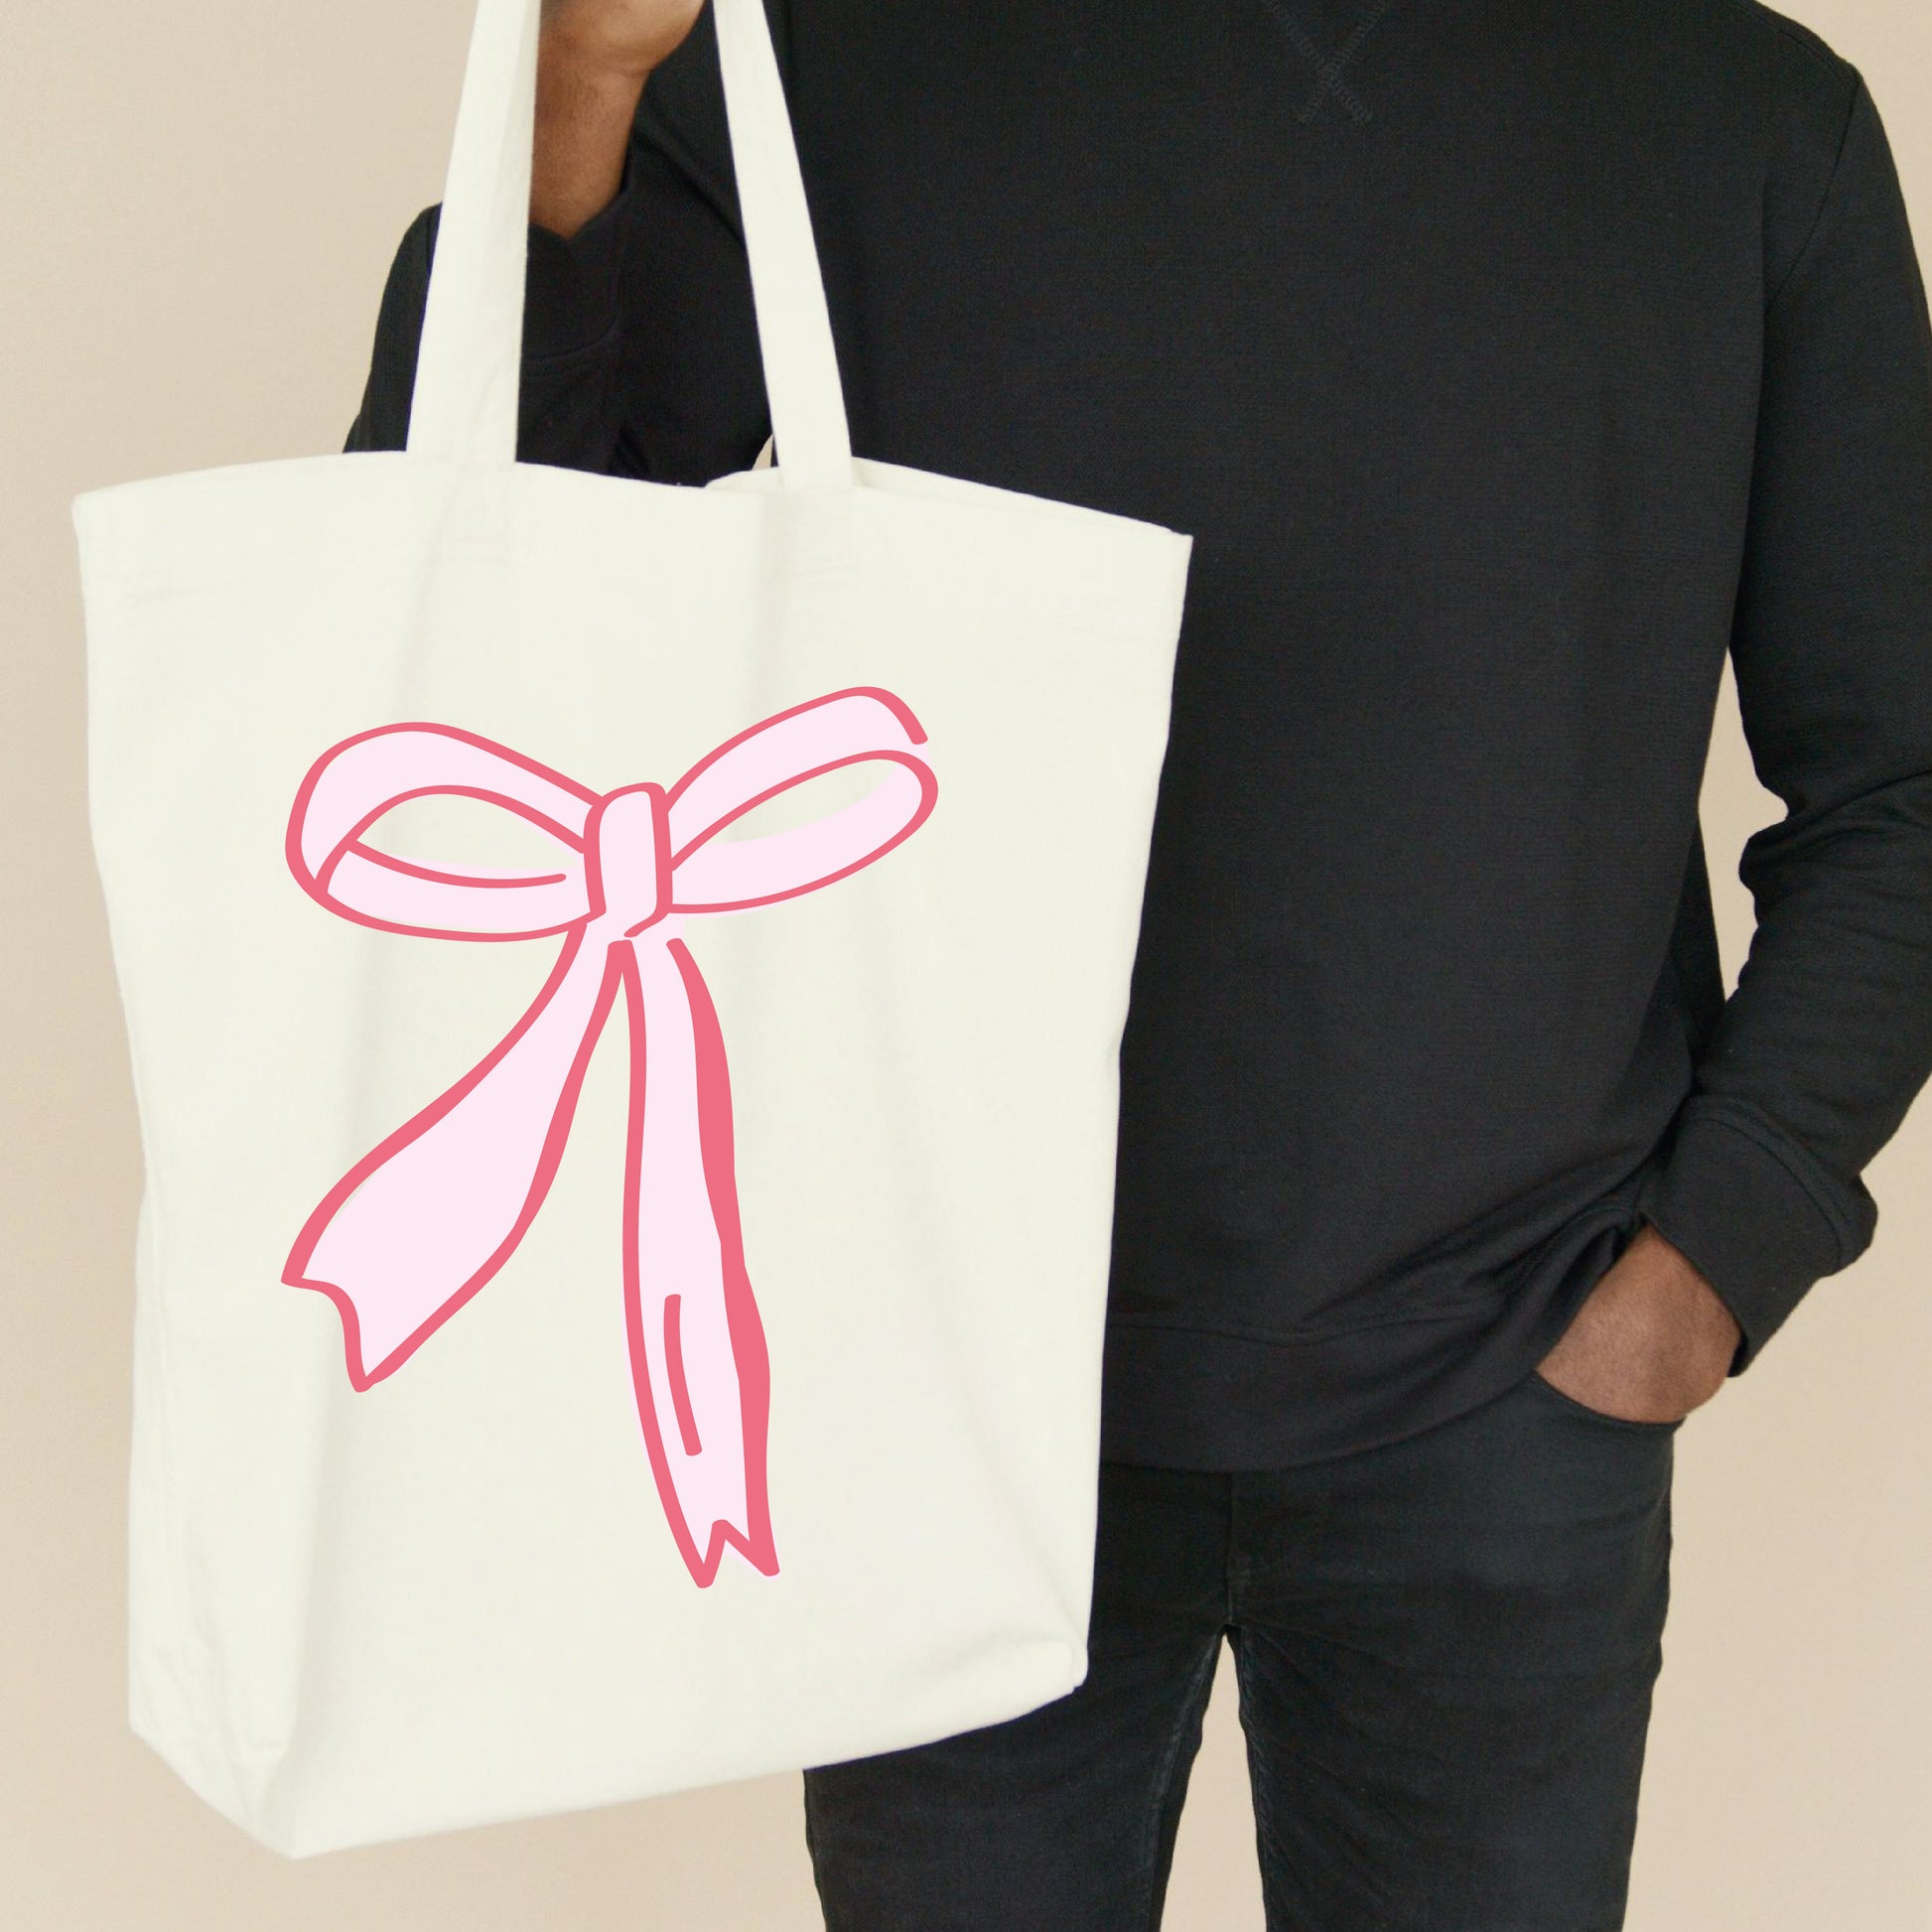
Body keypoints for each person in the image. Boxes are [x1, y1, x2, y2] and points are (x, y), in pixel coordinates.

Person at [348, 3, 1932, 1926]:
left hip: (1507, 1368)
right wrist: (580, 88)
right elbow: (480, 629)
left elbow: (1897, 777)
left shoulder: (1738, 112)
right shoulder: (813, 58)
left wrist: (1721, 1245)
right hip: (934, 1381)